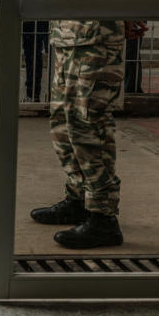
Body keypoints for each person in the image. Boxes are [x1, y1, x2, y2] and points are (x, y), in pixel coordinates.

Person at [29, 20, 132, 249]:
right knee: (62, 126)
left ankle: (103, 217)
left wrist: (131, 10)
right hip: (68, 36)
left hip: (98, 37)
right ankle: (79, 199)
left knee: (88, 127)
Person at [22, 20, 49, 101]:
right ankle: (33, 95)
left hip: (32, 17)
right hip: (39, 16)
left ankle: (32, 95)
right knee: (33, 54)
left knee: (32, 54)